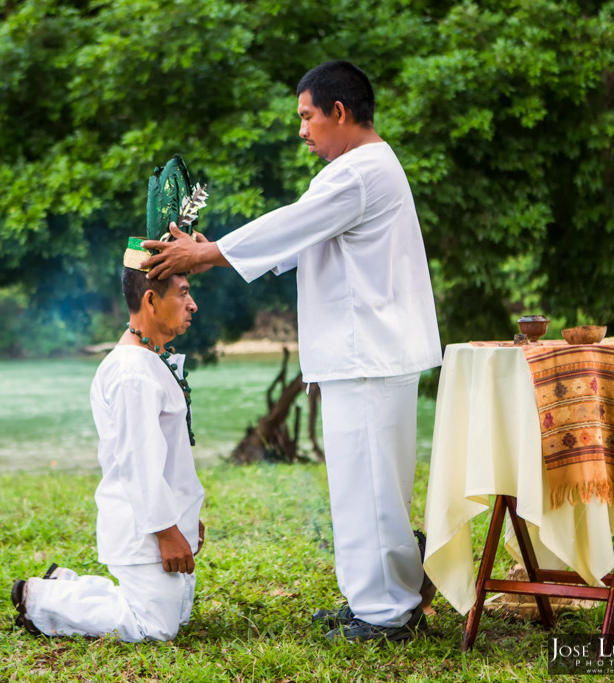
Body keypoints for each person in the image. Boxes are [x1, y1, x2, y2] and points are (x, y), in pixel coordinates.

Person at [142, 60, 442, 643]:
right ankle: (372, 600)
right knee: (359, 486)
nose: (302, 130)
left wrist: (205, 256)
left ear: (338, 112)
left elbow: (291, 223)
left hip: (370, 354)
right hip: (364, 354)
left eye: (307, 116)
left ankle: (387, 613)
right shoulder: (358, 171)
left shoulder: (358, 172)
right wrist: (216, 248)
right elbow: (303, 238)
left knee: (374, 487)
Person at [10, 263, 205, 642]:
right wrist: (167, 532)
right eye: (182, 293)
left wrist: (186, 517)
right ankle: (41, 600)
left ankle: (65, 584)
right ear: (151, 300)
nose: (192, 304)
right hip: (142, 528)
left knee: (178, 615)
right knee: (156, 628)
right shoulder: (133, 371)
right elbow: (139, 462)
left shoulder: (146, 358)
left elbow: (167, 458)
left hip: (160, 517)